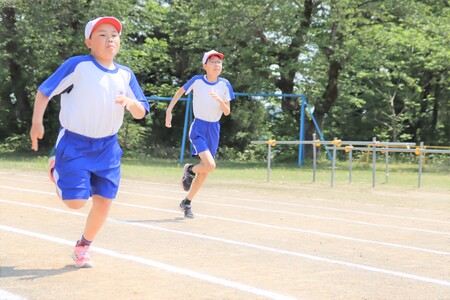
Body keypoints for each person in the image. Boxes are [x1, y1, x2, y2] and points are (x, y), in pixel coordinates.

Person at [29, 16, 150, 268]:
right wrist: (36, 123)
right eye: (102, 35)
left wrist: (133, 104)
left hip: (108, 147)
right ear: (89, 42)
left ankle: (83, 247)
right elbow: (45, 91)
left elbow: (142, 112)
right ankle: (56, 167)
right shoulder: (79, 66)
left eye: (114, 35)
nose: (110, 39)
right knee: (75, 203)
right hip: (75, 143)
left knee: (104, 201)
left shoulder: (126, 75)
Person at [165, 50, 235, 218]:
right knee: (210, 165)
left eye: (219, 62)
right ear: (205, 66)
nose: (217, 64)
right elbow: (180, 91)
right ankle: (189, 169)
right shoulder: (197, 81)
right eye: (212, 61)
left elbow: (227, 112)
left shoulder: (225, 84)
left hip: (214, 129)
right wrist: (169, 110)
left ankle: (186, 202)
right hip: (199, 128)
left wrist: (219, 100)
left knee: (204, 172)